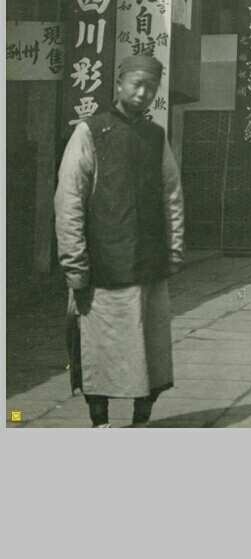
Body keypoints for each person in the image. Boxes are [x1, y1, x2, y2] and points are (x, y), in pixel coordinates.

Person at [53, 52, 184, 428]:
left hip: (149, 263)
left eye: (151, 87)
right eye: (137, 84)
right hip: (103, 266)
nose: (143, 93)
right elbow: (69, 200)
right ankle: (101, 422)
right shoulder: (90, 131)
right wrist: (74, 263)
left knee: (150, 349)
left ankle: (142, 419)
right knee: (101, 350)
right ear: (119, 83)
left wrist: (174, 250)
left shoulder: (155, 136)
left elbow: (172, 195)